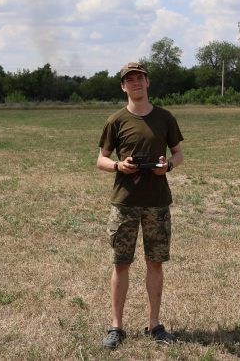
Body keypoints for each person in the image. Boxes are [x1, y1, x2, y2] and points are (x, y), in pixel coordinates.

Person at [97, 61, 184, 350]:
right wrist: (119, 165)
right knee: (121, 264)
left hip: (157, 203)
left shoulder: (165, 118)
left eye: (139, 78)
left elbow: (178, 154)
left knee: (155, 263)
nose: (135, 83)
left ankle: (155, 325)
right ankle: (116, 327)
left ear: (147, 83)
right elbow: (101, 159)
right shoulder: (115, 121)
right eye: (129, 79)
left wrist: (167, 166)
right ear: (123, 86)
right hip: (125, 203)